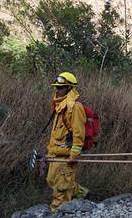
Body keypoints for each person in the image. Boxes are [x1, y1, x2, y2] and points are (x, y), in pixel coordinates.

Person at [46, 72, 88, 211]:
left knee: (61, 190)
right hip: (55, 154)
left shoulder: (74, 107)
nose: (57, 91)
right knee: (51, 181)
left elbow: (78, 134)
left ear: (69, 88)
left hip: (66, 157)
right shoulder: (59, 106)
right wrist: (50, 152)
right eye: (56, 88)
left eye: (60, 88)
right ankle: (83, 194)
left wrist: (73, 156)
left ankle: (57, 212)